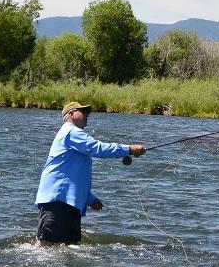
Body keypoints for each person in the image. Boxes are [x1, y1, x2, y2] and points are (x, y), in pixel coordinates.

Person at [34, 101, 146, 246]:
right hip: (57, 200)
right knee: (45, 246)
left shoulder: (74, 135)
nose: (87, 115)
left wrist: (89, 198)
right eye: (83, 111)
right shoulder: (71, 131)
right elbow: (97, 148)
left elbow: (75, 175)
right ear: (71, 115)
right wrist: (129, 149)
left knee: (70, 247)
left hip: (68, 201)